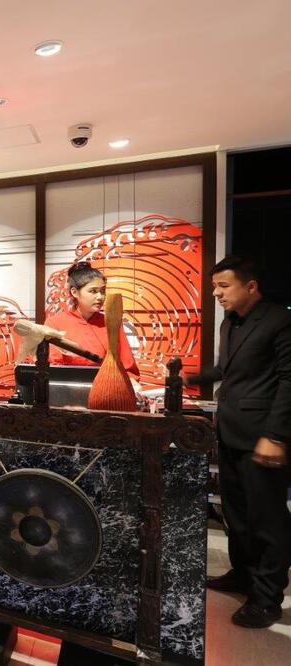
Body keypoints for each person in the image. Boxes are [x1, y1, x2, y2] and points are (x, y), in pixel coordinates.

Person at [186, 256, 291, 629]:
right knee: (237, 515)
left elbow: (289, 380)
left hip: (263, 438)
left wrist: (275, 436)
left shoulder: (279, 321)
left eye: (223, 286)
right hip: (230, 432)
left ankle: (267, 598)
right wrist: (189, 378)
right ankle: (243, 575)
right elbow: (225, 370)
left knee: (267, 520)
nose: (216, 293)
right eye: (214, 286)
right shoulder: (229, 322)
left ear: (251, 286)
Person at [43, 261, 140, 377]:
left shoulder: (112, 322)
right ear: (74, 292)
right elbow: (53, 368)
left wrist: (131, 380)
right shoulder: (55, 323)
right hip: (69, 383)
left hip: (108, 384)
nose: (100, 297)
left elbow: (127, 366)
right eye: (93, 291)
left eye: (102, 291)